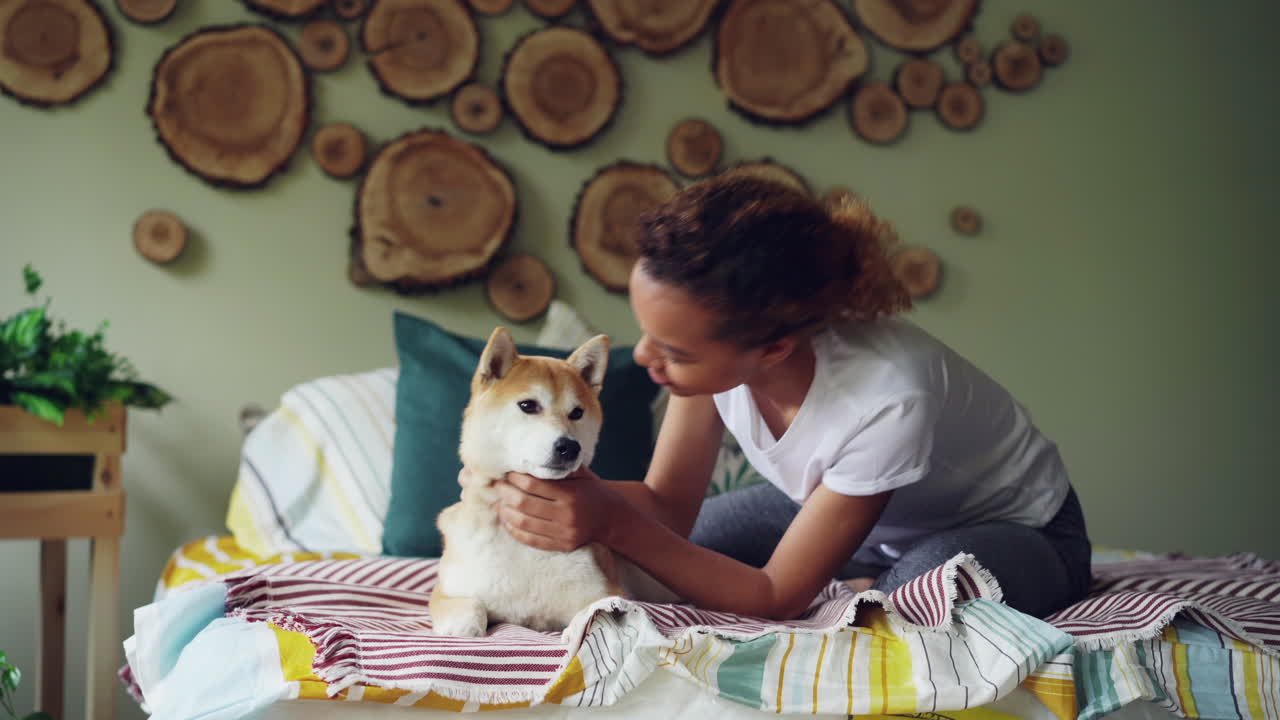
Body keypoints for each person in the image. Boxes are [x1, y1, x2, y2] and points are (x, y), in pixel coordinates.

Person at [492, 175, 1091, 620]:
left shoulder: (886, 396)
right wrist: (562, 493)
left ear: (773, 349)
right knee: (674, 556)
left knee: (908, 604)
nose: (647, 357)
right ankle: (846, 568)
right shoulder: (716, 363)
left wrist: (612, 522)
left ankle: (858, 577)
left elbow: (775, 597)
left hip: (1018, 528)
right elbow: (667, 506)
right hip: (857, 516)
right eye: (647, 332)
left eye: (675, 349)